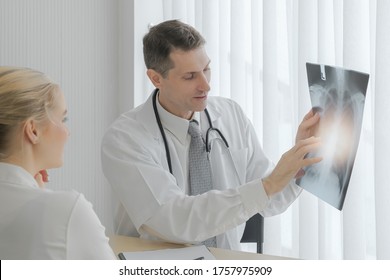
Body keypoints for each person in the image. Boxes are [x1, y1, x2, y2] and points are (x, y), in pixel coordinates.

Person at [101, 19, 321, 251]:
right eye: (190, 76)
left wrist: (301, 160)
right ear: (156, 79)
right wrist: (267, 186)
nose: (205, 86)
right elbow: (174, 221)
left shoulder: (230, 115)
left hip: (224, 263)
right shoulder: (125, 138)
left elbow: (268, 201)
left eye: (206, 69)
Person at [0, 66, 116, 259]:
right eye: (63, 119)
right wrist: (42, 202)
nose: (67, 132)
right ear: (33, 130)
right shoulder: (66, 211)